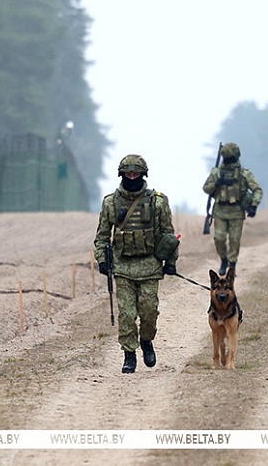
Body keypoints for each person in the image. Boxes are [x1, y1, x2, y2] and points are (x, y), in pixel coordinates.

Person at [94, 154, 179, 374]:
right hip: (123, 267)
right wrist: (102, 260)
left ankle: (146, 340)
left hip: (150, 266)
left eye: (136, 173)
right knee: (126, 315)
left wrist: (170, 262)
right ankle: (129, 354)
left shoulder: (157, 202)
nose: (132, 177)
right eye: (128, 173)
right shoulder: (111, 203)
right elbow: (102, 236)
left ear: (143, 175)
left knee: (149, 313)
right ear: (121, 175)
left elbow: (169, 235)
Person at [202, 142, 263, 276]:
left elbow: (257, 190)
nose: (227, 161)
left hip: (236, 211)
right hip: (220, 211)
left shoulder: (244, 174)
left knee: (234, 240)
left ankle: (232, 264)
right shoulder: (216, 173)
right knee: (219, 238)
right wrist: (216, 183)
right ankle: (224, 260)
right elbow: (206, 188)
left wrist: (254, 205)